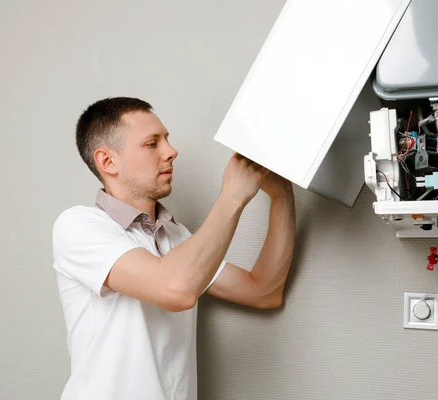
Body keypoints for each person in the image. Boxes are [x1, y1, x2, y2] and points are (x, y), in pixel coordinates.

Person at [52, 97, 296, 400]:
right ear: (107, 161)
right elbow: (175, 289)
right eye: (152, 144)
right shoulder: (78, 226)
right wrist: (232, 196)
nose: (171, 151)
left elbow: (264, 292)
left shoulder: (175, 236)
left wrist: (282, 194)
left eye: (167, 139)